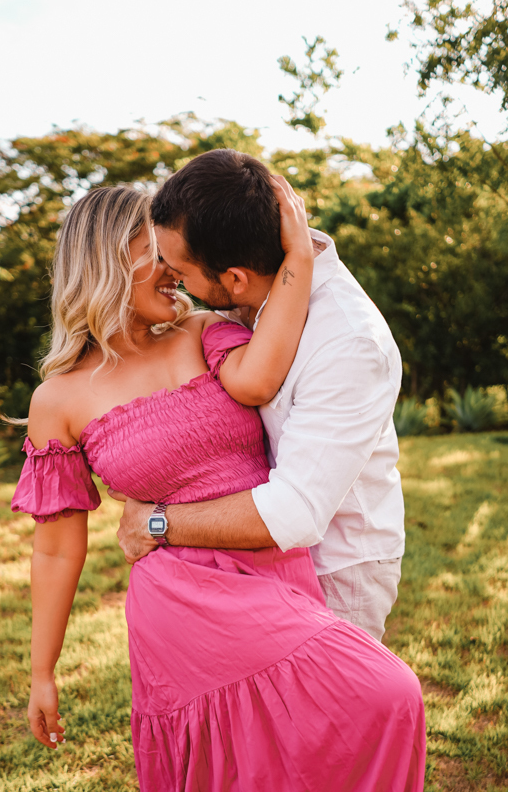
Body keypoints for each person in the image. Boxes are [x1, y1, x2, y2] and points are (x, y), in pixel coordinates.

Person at [11, 176, 425, 792]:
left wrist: (299, 248)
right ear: (106, 262)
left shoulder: (207, 334)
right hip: (184, 603)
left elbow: (266, 373)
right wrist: (42, 669)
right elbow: (56, 548)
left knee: (320, 739)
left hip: (274, 566)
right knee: (362, 710)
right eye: (154, 254)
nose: (173, 269)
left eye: (176, 257)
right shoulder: (61, 400)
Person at [113, 148, 405, 642]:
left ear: (234, 279)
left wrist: (157, 523)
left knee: (323, 695)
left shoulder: (349, 342)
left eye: (179, 267)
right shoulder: (243, 295)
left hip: (332, 567)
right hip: (251, 561)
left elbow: (295, 513)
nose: (172, 277)